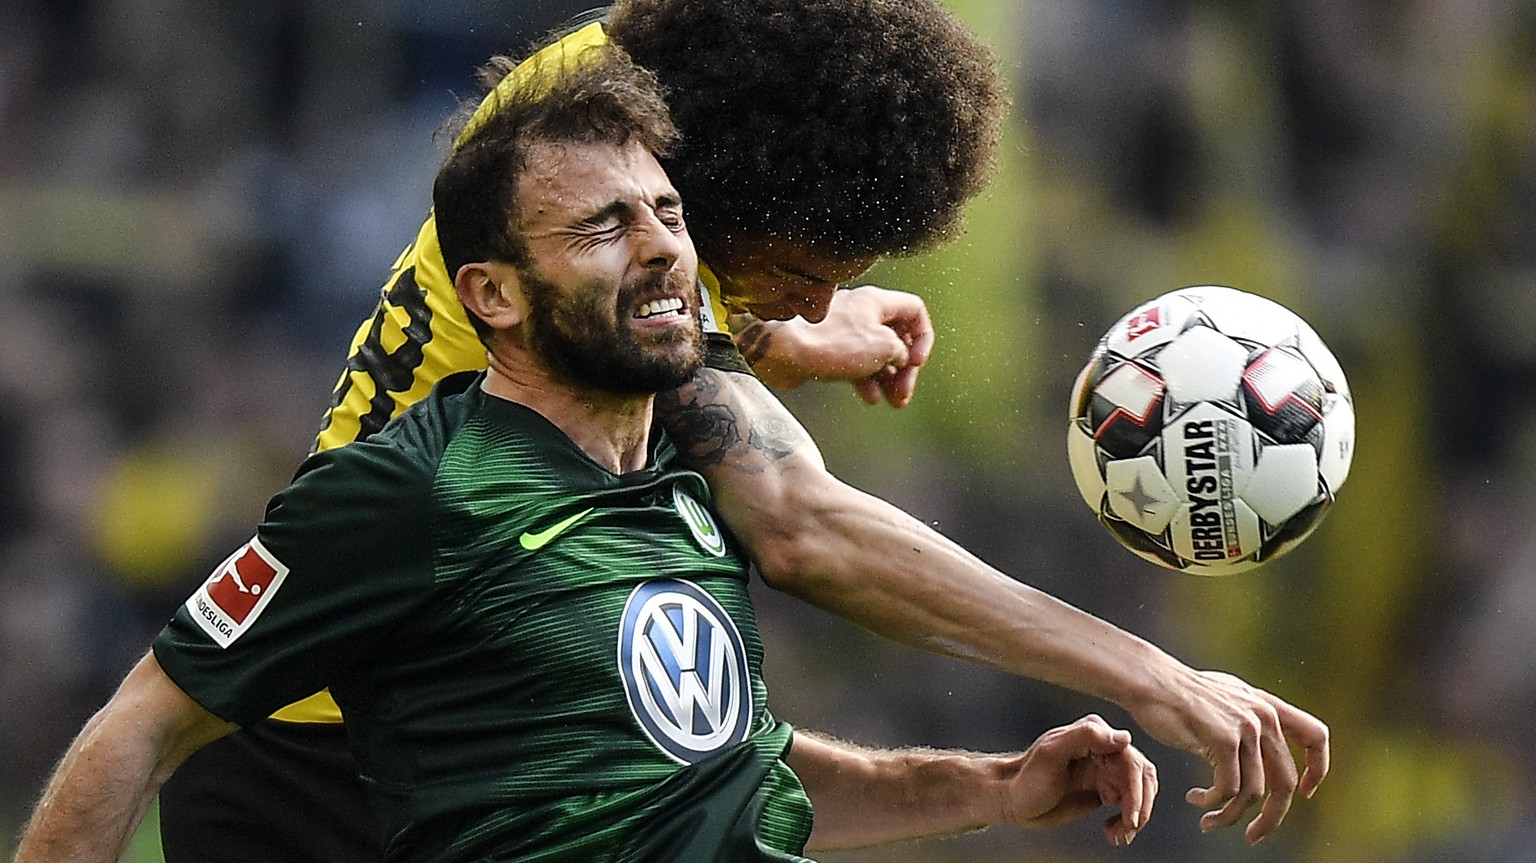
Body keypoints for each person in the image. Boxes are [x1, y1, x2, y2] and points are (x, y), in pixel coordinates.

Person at [160, 1, 1328, 858]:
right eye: (805, 267)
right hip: (339, 767)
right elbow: (804, 527)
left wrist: (763, 328)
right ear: (725, 190)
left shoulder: (611, 107)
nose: (825, 300)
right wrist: (1154, 674)